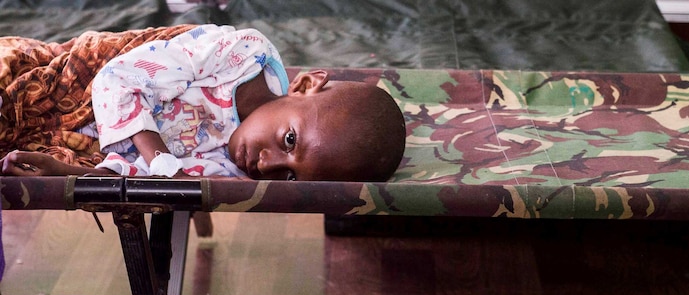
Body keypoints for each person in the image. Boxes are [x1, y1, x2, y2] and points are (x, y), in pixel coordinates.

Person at [0, 24, 406, 182]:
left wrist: (66, 174)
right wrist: (164, 163)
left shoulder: (236, 172)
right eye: (288, 141)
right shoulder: (241, 55)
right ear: (305, 85)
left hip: (72, 144)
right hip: (63, 81)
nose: (267, 164)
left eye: (289, 176)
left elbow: (133, 176)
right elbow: (119, 77)